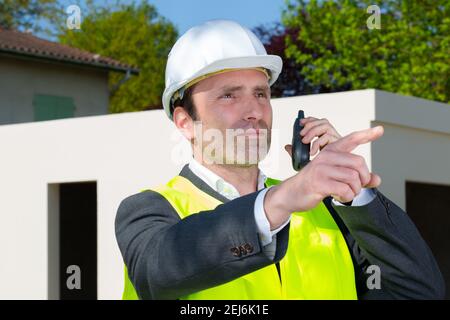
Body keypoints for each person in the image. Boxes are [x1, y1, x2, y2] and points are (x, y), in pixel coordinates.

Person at [115, 20, 444, 300]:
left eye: (261, 93)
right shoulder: (149, 211)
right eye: (229, 95)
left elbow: (420, 290)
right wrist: (281, 199)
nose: (254, 111)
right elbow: (156, 269)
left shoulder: (324, 212)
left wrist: (354, 195)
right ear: (185, 122)